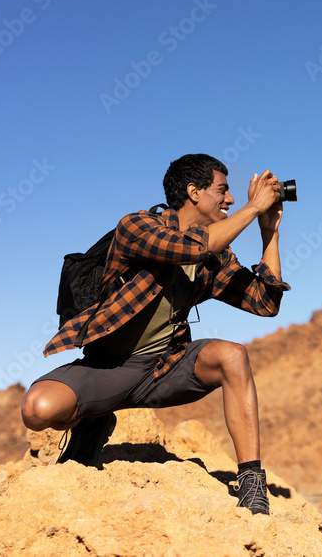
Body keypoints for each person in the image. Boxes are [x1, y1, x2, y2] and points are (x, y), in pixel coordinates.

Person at [21, 153, 288, 516]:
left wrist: (268, 232)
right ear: (194, 192)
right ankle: (92, 422)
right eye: (222, 191)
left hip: (165, 368)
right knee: (37, 409)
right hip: (108, 369)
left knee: (232, 355)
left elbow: (265, 303)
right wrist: (255, 207)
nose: (230, 200)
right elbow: (191, 248)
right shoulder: (137, 227)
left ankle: (252, 483)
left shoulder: (218, 256)